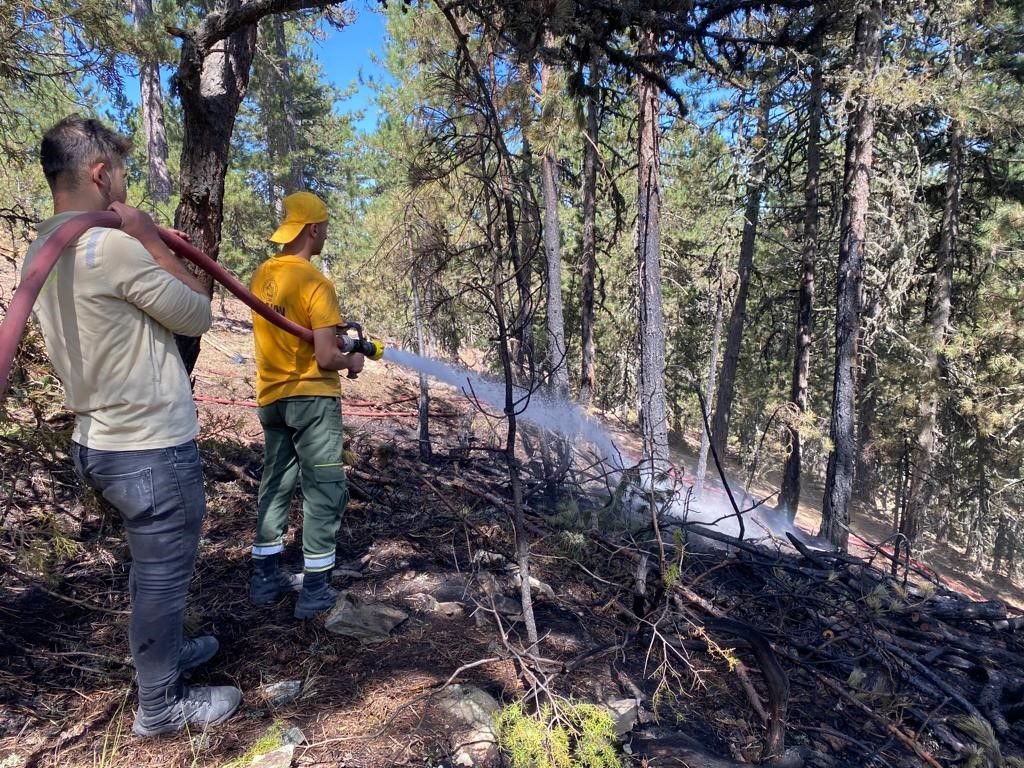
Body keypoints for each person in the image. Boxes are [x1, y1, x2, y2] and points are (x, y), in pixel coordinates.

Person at [23, 115, 242, 737]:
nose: (124, 186)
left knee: (153, 574)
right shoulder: (111, 247)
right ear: (100, 174)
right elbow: (196, 314)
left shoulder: (43, 249)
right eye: (120, 174)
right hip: (149, 448)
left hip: (99, 443)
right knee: (162, 581)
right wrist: (151, 241)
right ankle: (161, 707)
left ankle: (164, 657)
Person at [248, 191, 364, 619]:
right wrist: (353, 360)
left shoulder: (263, 275)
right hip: (312, 399)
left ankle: (265, 578)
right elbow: (327, 357)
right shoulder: (316, 282)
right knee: (324, 487)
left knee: (276, 482)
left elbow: (292, 329)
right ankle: (315, 588)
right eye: (325, 227)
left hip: (272, 399)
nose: (326, 234)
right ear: (313, 229)